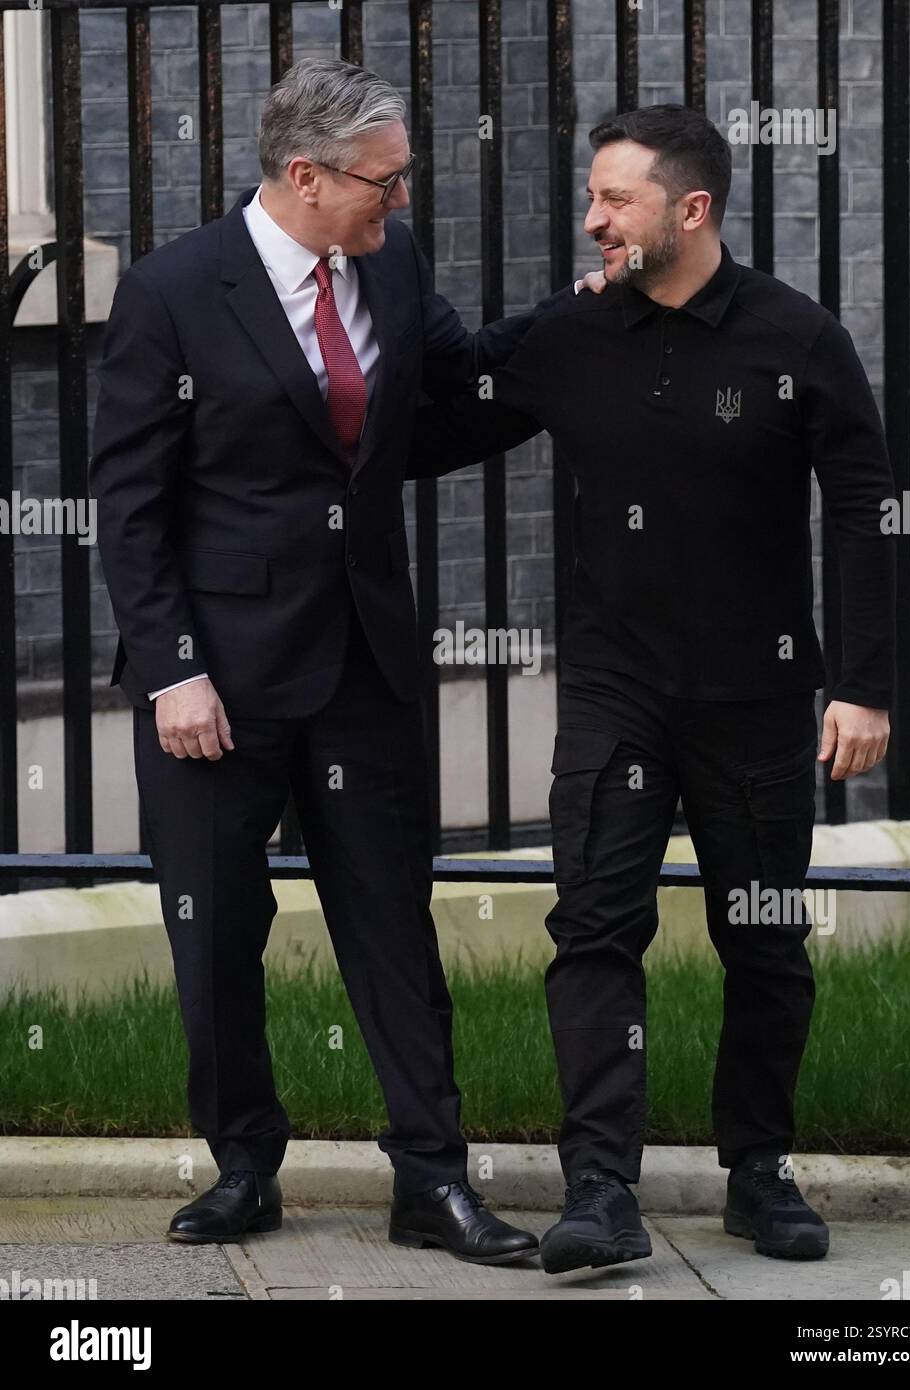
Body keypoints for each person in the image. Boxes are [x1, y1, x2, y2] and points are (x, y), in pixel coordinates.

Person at [89, 55, 590, 1264]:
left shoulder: (387, 263)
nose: (401, 202)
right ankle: (244, 1166)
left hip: (361, 666)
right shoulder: (172, 293)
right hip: (218, 684)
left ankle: (432, 1180)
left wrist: (565, 339)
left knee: (392, 930)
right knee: (214, 933)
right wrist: (171, 670)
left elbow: (436, 406)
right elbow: (128, 501)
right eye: (386, 180)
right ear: (304, 176)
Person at [407, 103, 895, 1274]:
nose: (592, 218)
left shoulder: (797, 338)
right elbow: (443, 413)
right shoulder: (575, 334)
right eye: (594, 196)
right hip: (617, 692)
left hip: (758, 701)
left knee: (765, 941)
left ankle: (760, 1173)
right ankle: (600, 1190)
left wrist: (863, 687)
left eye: (614, 199)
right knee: (594, 934)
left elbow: (864, 510)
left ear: (692, 209)